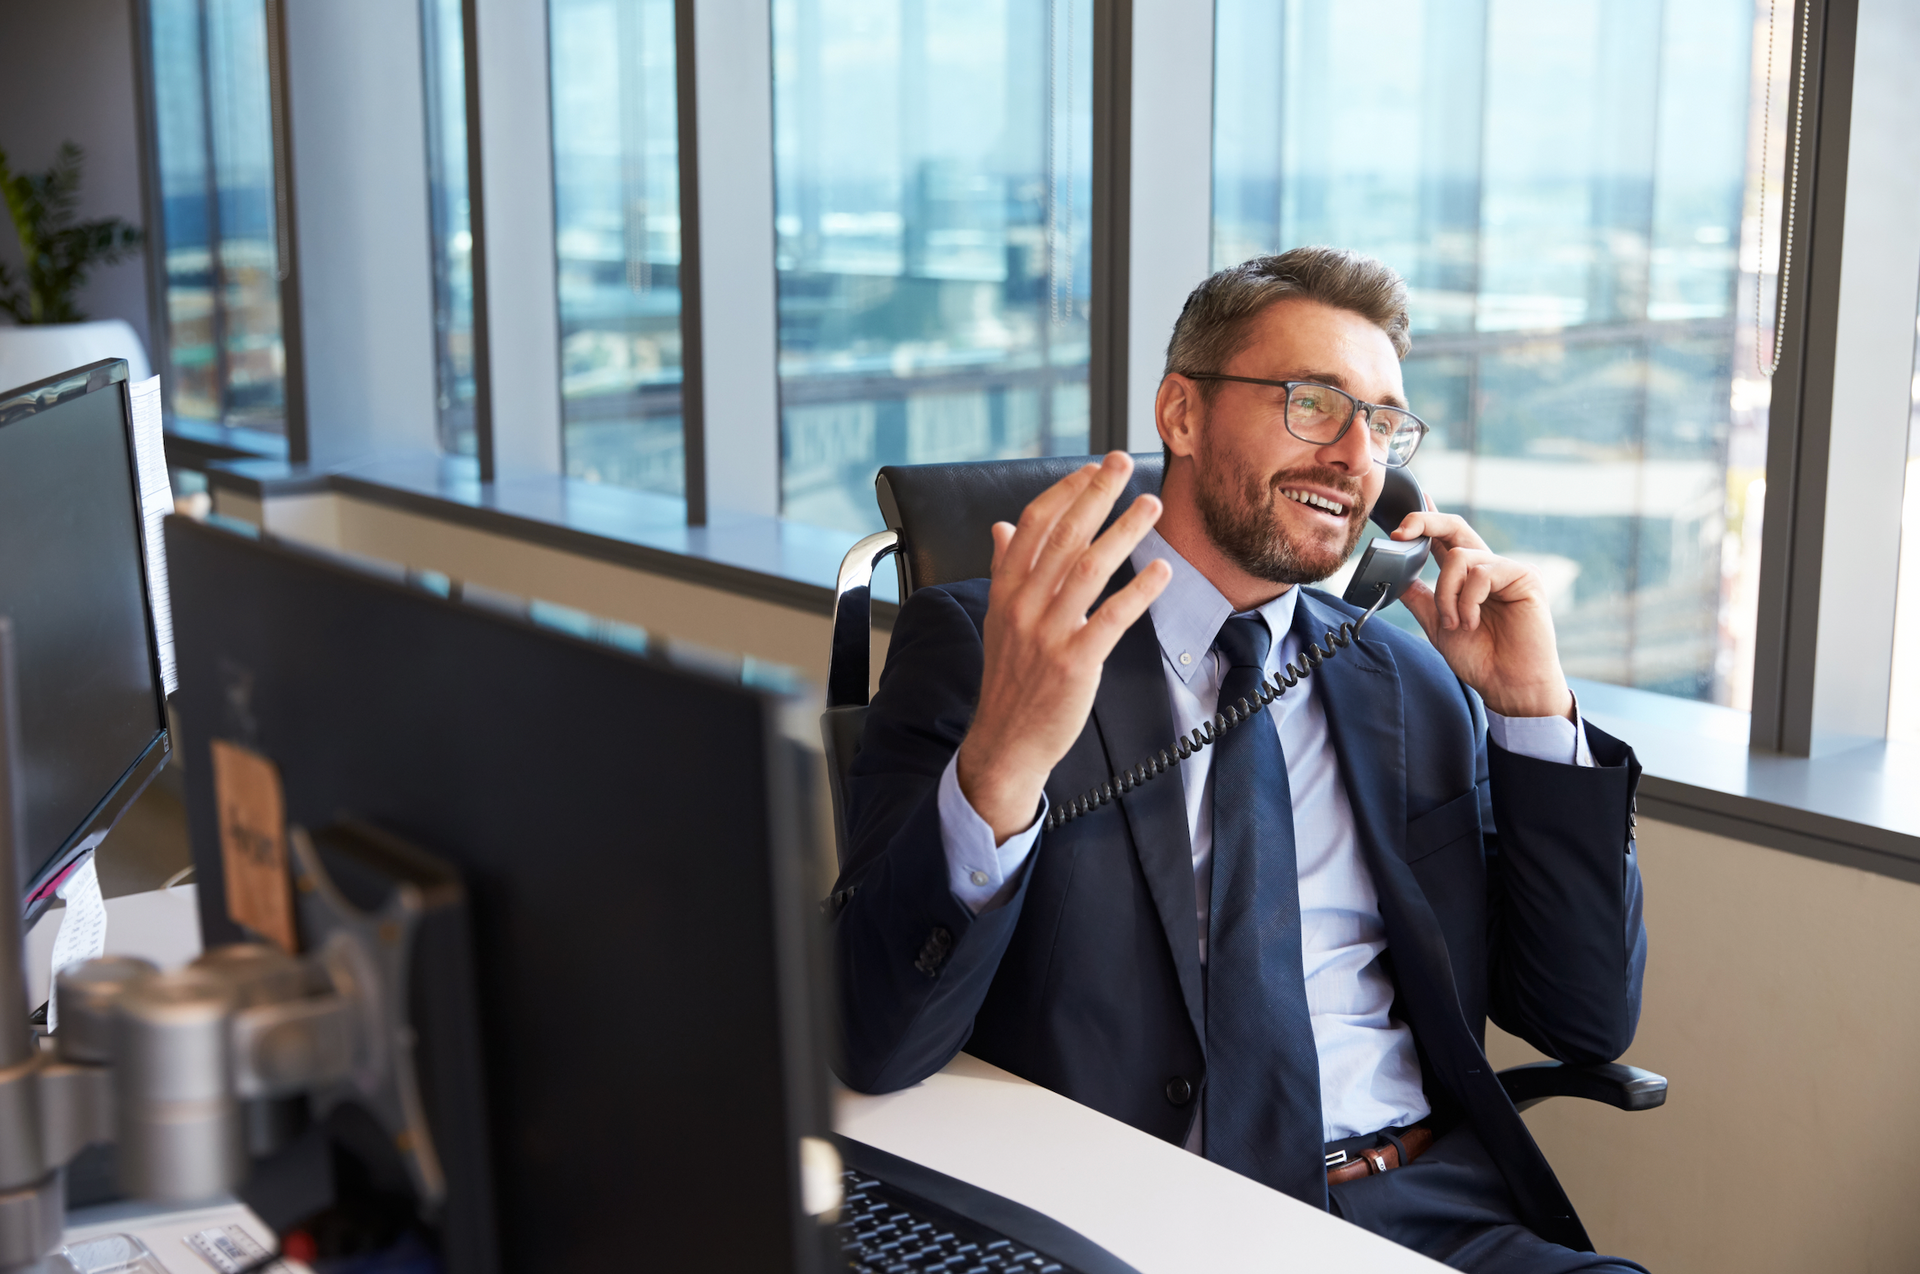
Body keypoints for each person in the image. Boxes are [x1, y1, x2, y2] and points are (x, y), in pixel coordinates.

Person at [830, 247, 1649, 1273]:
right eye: (1314, 402)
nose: (1359, 454)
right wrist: (1001, 762)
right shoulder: (997, 646)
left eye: (1384, 421)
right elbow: (868, 1034)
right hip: (1141, 1221)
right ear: (1180, 412)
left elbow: (1583, 1017)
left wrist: (1532, 715)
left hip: (1427, 1216)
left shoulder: (1406, 675)